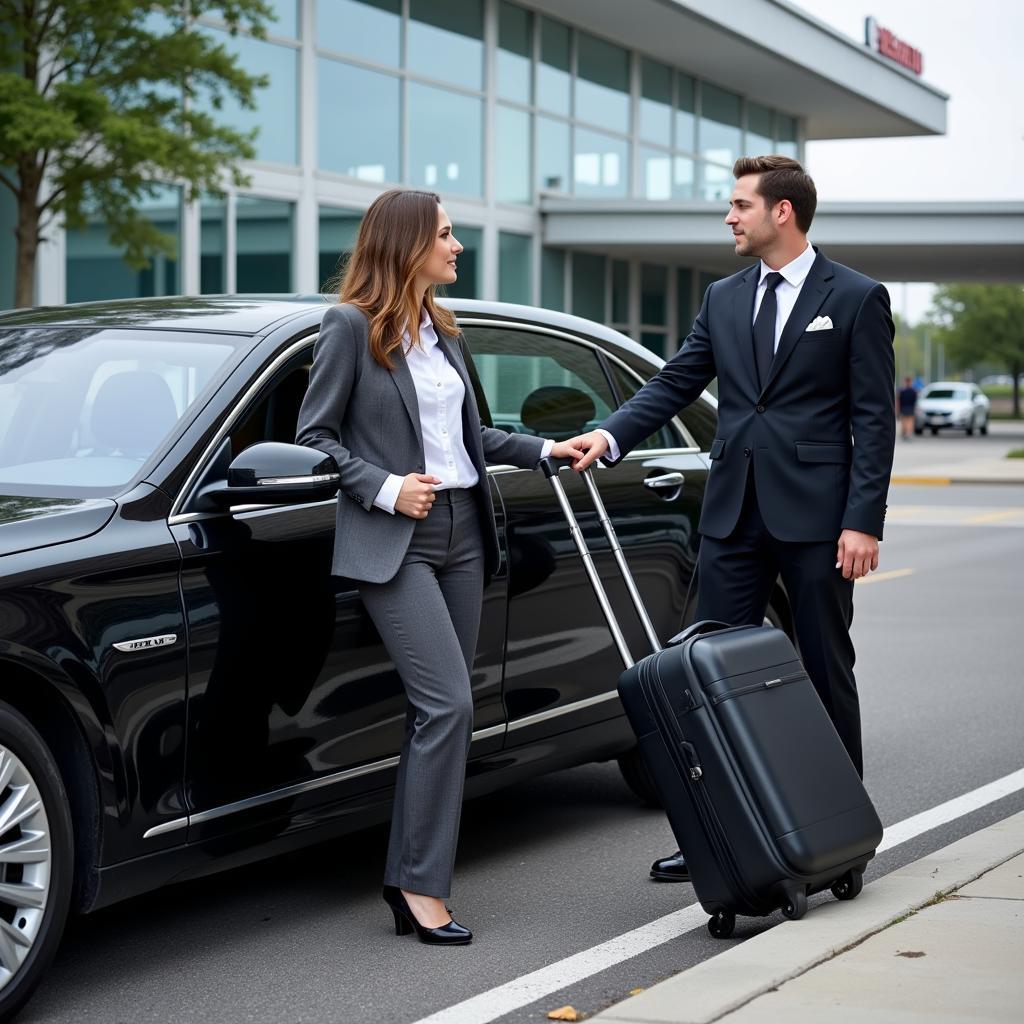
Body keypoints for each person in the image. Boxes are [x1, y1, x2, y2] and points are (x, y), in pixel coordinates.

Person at [568, 156, 896, 883]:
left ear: (783, 212)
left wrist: (862, 520)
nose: (729, 217)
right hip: (733, 517)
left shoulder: (856, 296)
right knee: (705, 675)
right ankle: (713, 831)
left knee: (822, 669)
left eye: (741, 204)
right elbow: (677, 380)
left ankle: (842, 836)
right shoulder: (723, 297)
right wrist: (612, 434)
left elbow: (873, 420)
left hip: (816, 520)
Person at [296, 189, 582, 942]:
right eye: (447, 235)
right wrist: (386, 488)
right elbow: (316, 436)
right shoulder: (349, 327)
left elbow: (471, 438)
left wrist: (547, 449)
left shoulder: (443, 330)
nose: (457, 247)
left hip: (464, 532)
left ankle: (407, 875)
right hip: (396, 542)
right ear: (406, 243)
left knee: (446, 712)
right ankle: (422, 888)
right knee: (448, 704)